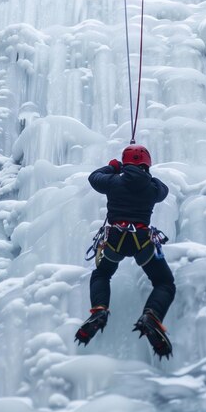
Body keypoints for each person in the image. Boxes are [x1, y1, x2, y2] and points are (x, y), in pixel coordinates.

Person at [75, 144, 176, 359]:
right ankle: (152, 316)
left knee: (102, 274)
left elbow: (94, 177)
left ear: (125, 163)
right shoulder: (152, 188)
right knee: (164, 283)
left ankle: (100, 309)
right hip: (142, 243)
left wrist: (114, 167)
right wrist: (146, 175)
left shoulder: (113, 181)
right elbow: (163, 190)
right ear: (147, 164)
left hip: (115, 241)